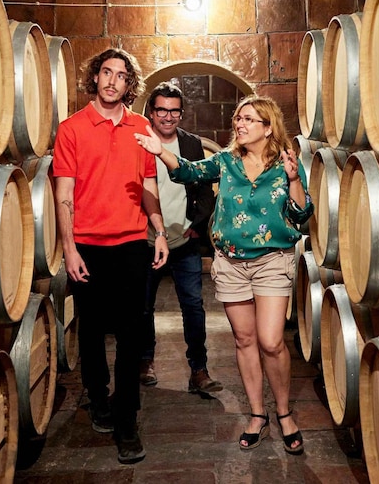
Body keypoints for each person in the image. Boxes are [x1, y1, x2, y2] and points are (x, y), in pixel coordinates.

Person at [134, 94, 313, 455]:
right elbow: (189, 171)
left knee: (271, 341)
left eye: (248, 119)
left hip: (271, 260)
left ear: (268, 127)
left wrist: (294, 179)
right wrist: (160, 151)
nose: (239, 124)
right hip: (231, 263)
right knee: (244, 340)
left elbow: (300, 214)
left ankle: (284, 413)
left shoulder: (285, 163)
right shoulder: (226, 161)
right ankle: (258, 414)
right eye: (238, 118)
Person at [53, 48, 169, 465]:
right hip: (86, 245)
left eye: (121, 75)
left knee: (131, 335)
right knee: (90, 331)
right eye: (106, 72)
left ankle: (126, 421)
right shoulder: (71, 129)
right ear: (95, 77)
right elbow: (64, 193)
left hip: (132, 244)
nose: (112, 80)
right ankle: (98, 396)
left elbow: (149, 185)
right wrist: (68, 249)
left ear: (129, 85)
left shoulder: (141, 128)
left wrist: (159, 231)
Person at [139, 82, 223, 395]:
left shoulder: (190, 143)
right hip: (146, 240)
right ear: (151, 112)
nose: (168, 116)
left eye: (174, 111)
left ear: (181, 113)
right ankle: (145, 361)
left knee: (193, 307)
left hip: (184, 240)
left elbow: (204, 187)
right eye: (162, 110)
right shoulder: (140, 141)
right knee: (143, 307)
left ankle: (199, 370)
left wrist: (196, 224)